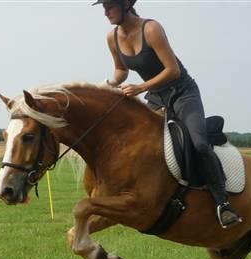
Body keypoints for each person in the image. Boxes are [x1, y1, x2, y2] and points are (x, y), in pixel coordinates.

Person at [94, 0, 242, 228]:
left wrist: (141, 88)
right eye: (104, 7)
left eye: (110, 6)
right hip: (155, 98)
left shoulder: (151, 29)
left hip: (183, 94)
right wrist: (109, 84)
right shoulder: (111, 37)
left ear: (126, 5)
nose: (105, 12)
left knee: (199, 144)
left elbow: (172, 70)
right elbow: (121, 70)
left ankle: (223, 204)